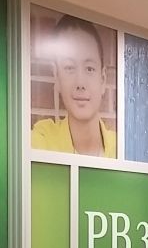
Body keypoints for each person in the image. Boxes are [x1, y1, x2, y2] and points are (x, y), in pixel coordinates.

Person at [31, 14, 117, 157]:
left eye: (89, 68)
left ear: (102, 79)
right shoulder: (42, 141)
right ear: (57, 77)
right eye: (69, 68)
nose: (80, 83)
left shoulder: (121, 148)